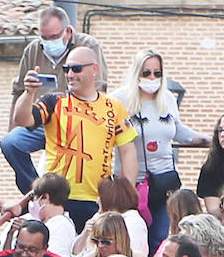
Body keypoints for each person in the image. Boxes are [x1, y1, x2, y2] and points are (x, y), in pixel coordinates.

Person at [12, 46, 138, 231]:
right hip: (57, 199)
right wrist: (29, 93)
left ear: (94, 69)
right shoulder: (54, 101)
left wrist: (127, 194)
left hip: (97, 199)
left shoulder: (114, 107)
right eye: (66, 69)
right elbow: (23, 119)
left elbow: (128, 151)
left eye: (76, 69)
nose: (70, 74)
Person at [0, 6, 107, 193]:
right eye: (45, 38)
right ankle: (35, 191)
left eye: (54, 37)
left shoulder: (88, 47)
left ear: (68, 31)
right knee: (10, 142)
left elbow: (98, 87)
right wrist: (15, 122)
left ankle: (57, 193)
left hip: (75, 122)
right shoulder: (33, 50)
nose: (49, 43)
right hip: (40, 119)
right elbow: (18, 90)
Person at [113, 49, 207, 253]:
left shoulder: (168, 99)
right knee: (131, 240)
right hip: (131, 184)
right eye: (146, 73)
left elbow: (178, 130)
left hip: (164, 182)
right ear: (136, 73)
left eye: (158, 73)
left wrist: (208, 140)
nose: (152, 78)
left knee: (162, 238)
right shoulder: (118, 100)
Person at [26, 172, 76, 257]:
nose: (34, 202)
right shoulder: (40, 221)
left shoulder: (61, 226)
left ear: (46, 197)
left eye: (36, 197)